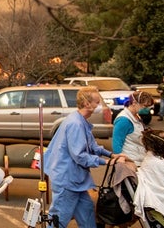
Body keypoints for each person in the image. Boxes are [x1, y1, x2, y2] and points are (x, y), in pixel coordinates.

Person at [44, 86, 127, 228]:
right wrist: (106, 162)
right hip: (67, 180)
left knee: (87, 214)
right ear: (87, 103)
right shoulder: (75, 124)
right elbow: (80, 156)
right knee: (59, 220)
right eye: (96, 102)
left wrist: (112, 155)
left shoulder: (81, 121)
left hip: (76, 182)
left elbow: (93, 146)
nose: (99, 105)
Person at [112, 91, 155, 165]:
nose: (147, 109)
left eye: (149, 106)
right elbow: (116, 144)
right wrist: (121, 162)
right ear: (134, 102)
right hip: (129, 162)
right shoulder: (123, 120)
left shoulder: (136, 116)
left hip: (137, 159)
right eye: (145, 106)